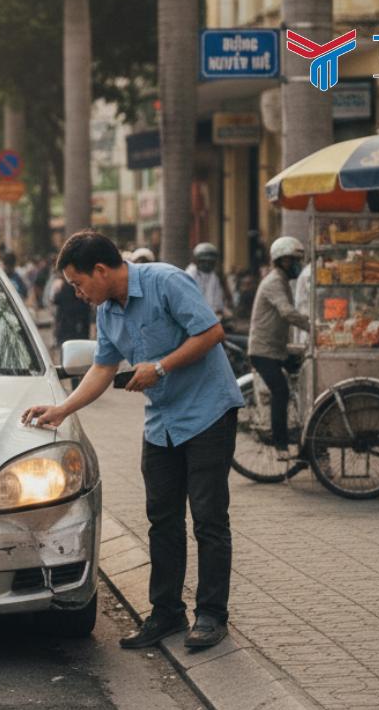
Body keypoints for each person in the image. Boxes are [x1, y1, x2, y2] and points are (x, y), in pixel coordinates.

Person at [21, 229, 243, 651]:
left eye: (78, 283)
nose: (77, 292)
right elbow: (103, 368)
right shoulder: (108, 311)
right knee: (162, 518)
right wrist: (63, 409)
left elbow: (211, 333)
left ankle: (212, 615)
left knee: (209, 517)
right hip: (163, 422)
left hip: (208, 413)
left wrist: (159, 368)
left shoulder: (166, 281)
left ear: (101, 270)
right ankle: (167, 613)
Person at [247, 237, 311, 460]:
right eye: (294, 260)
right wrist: (313, 327)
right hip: (264, 351)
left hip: (277, 349)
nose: (298, 265)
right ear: (282, 260)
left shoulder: (282, 280)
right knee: (280, 392)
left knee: (304, 381)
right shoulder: (274, 281)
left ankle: (302, 435)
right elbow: (287, 312)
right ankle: (280, 445)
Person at [185, 242, 234, 317]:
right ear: (197, 261)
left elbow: (217, 302)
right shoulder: (189, 275)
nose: (207, 264)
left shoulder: (215, 276)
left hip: (212, 316)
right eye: (204, 261)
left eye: (210, 262)